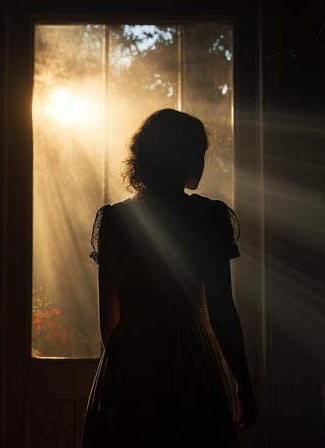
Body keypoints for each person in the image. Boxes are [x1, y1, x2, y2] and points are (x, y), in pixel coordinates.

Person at [81, 109, 257, 447]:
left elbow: (109, 317)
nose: (201, 161)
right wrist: (243, 383)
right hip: (189, 357)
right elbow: (221, 310)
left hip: (130, 359)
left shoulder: (116, 220)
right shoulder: (208, 217)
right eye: (197, 152)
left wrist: (119, 372)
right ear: (181, 156)